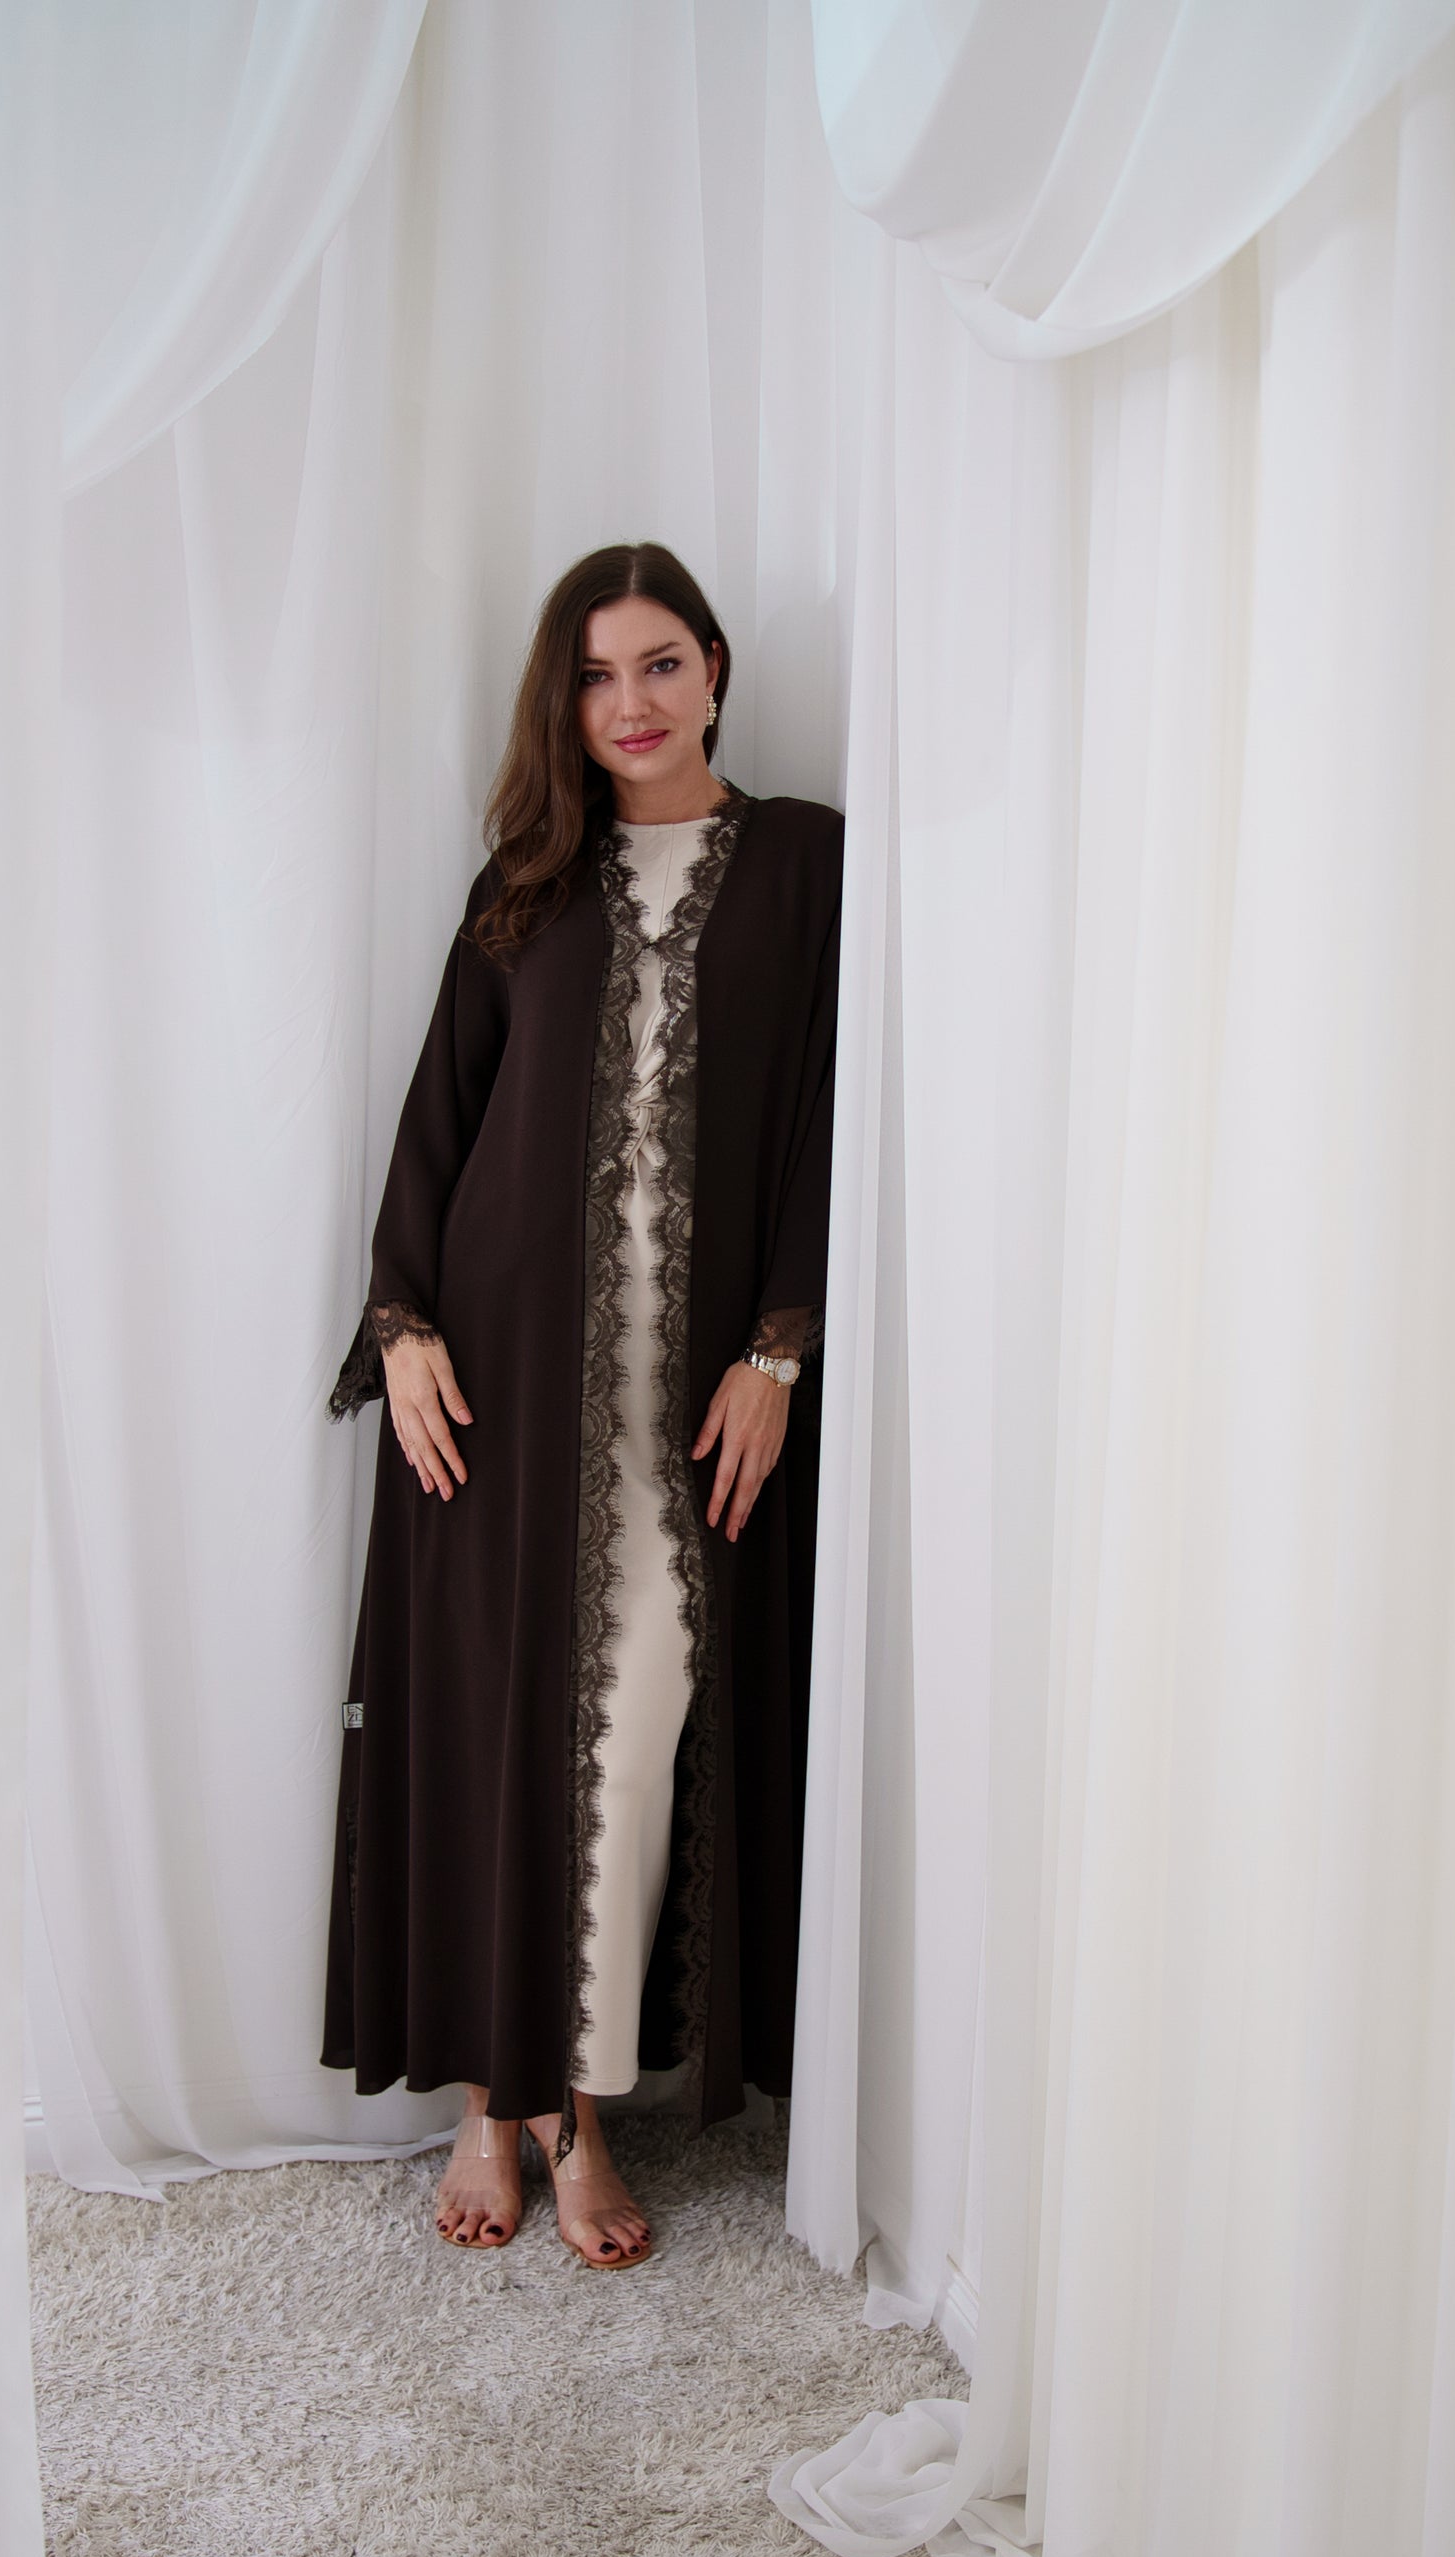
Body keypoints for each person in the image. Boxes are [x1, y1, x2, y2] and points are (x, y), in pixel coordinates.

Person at [324, 543, 841, 2269]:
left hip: (686, 1407)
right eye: (596, 675)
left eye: (659, 663)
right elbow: (438, 1121)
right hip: (496, 1384)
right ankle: (517, 2105)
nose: (630, 702)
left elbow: (838, 1120)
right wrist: (401, 1325)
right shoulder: (527, 884)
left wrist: (780, 1345)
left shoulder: (809, 867)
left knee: (631, 1730)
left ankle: (571, 2092)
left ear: (713, 667)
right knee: (496, 1739)